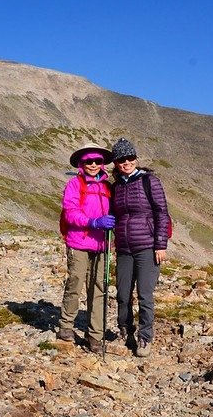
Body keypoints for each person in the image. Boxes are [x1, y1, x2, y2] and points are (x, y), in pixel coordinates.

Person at [110, 137, 170, 357]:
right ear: (115, 162)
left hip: (147, 246)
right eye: (121, 159)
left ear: (135, 158)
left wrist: (160, 245)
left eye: (130, 157)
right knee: (123, 294)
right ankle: (125, 331)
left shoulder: (149, 181)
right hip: (124, 248)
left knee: (145, 294)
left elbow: (161, 213)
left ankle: (145, 338)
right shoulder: (116, 187)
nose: (126, 162)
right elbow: (114, 214)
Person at [57, 142, 116, 354]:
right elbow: (70, 212)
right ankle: (66, 326)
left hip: (102, 244)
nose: (93, 164)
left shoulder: (108, 186)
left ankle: (95, 336)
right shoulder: (74, 184)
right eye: (89, 161)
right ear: (82, 163)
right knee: (75, 283)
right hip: (79, 242)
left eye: (97, 161)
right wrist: (93, 223)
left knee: (99, 289)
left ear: (102, 164)